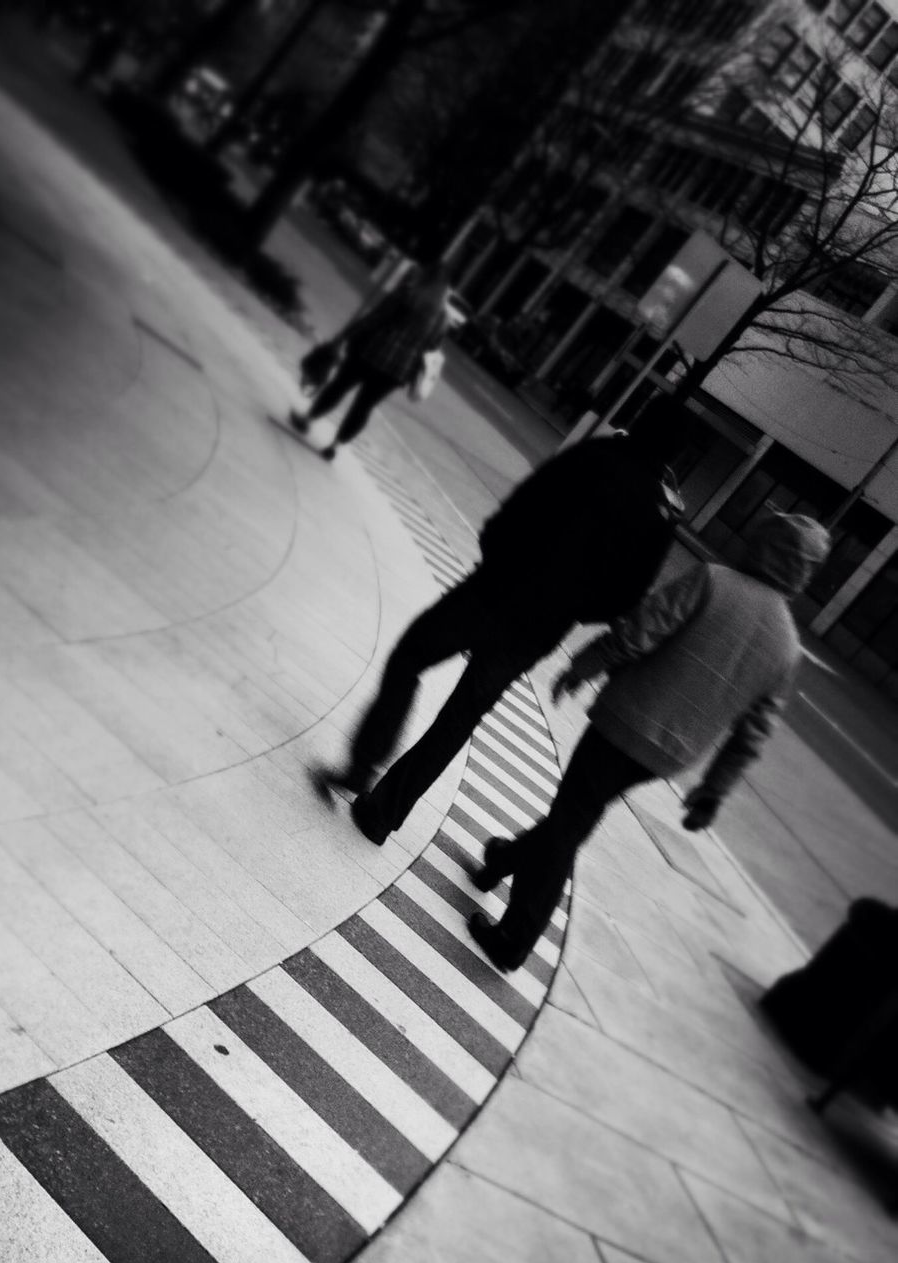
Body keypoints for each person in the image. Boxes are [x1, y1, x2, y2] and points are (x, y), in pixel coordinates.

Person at [467, 510, 832, 973]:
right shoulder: (787, 647)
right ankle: (504, 857)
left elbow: (644, 628)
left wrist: (590, 661)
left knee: (567, 826)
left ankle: (512, 940)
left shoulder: (714, 580)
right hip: (666, 756)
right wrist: (712, 792)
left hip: (624, 722)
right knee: (575, 815)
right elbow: (753, 734)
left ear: (765, 545)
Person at [312, 408, 683, 843]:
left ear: (642, 424)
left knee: (410, 656)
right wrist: (576, 608)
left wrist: (495, 548)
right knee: (462, 713)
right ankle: (382, 812)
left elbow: (531, 499)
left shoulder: (598, 455)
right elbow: (628, 595)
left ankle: (363, 763)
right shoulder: (661, 513)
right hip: (543, 626)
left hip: (496, 589)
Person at [291, 262, 451, 460]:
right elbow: (431, 350)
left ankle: (307, 419)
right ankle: (335, 446)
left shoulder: (407, 294)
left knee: (339, 386)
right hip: (397, 371)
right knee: (364, 406)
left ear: (425, 277)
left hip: (372, 351)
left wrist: (344, 336)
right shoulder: (443, 318)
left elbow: (375, 318)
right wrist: (410, 374)